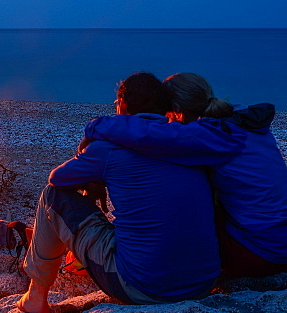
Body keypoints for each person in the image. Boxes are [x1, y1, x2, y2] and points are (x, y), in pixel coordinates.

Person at [19, 72, 221, 313]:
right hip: (203, 283)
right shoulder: (190, 142)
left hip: (144, 288)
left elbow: (58, 180)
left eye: (117, 104)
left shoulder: (109, 148)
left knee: (53, 196)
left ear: (123, 104)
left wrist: (94, 174)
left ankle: (36, 297)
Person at [84, 72, 287, 277]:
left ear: (177, 109)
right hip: (279, 241)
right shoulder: (240, 121)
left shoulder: (211, 135)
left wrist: (94, 127)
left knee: (189, 194)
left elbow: (147, 136)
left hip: (263, 254)